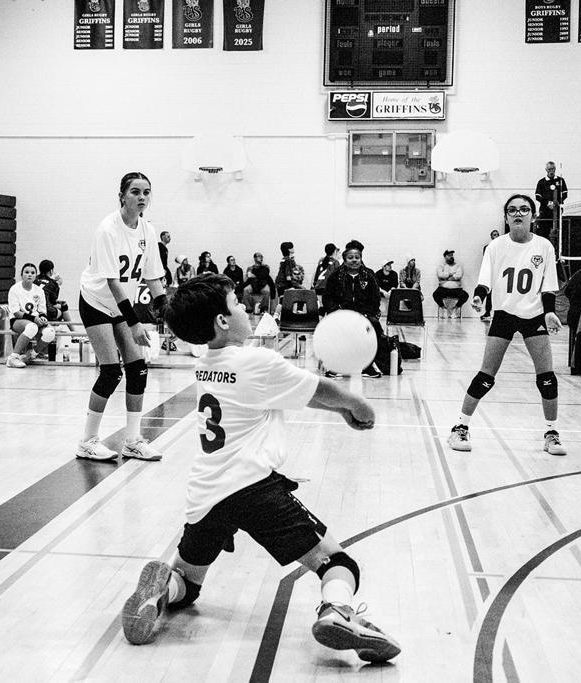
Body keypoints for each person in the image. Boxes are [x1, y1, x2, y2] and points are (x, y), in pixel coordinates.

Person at [119, 274, 400, 664]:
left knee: (188, 582)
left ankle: (164, 588)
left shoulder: (205, 364)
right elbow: (318, 389)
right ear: (222, 320)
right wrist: (356, 405)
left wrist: (340, 410)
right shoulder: (256, 361)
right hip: (255, 490)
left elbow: (290, 393)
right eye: (236, 303)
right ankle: (336, 609)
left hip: (206, 493)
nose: (245, 308)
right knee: (338, 564)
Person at [447, 194, 567, 456]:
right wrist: (479, 297)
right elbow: (484, 281)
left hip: (534, 315)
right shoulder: (496, 246)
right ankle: (460, 427)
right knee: (486, 376)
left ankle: (551, 434)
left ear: (533, 215)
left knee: (547, 378)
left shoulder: (544, 246)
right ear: (506, 217)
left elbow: (548, 286)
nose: (518, 213)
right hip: (504, 314)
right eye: (512, 210)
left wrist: (549, 313)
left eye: (524, 209)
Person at [75, 171, 168, 462]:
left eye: (146, 192)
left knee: (138, 368)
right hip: (96, 300)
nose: (142, 197)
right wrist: (135, 322)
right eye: (135, 192)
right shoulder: (108, 229)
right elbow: (113, 283)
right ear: (122, 196)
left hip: (120, 305)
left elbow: (153, 278)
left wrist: (168, 312)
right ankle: (87, 441)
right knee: (111, 371)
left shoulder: (147, 231)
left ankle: (132, 440)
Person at [323, 245, 384, 378]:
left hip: (363, 315)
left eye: (357, 257)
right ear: (345, 260)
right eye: (350, 258)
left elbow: (375, 299)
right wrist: (336, 310)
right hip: (341, 314)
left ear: (361, 259)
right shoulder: (335, 276)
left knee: (374, 327)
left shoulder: (369, 276)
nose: (354, 260)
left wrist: (368, 313)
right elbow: (327, 298)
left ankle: (367, 366)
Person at [5, 262, 54, 368]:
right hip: (17, 320)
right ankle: (12, 358)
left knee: (50, 332)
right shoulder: (14, 289)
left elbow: (42, 311)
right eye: (26, 272)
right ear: (21, 274)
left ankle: (30, 355)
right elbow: (16, 312)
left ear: (36, 275)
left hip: (35, 320)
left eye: (32, 273)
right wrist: (34, 319)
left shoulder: (39, 290)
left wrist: (43, 318)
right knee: (32, 327)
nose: (29, 275)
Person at [534, 161, 567, 241]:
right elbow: (538, 196)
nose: (551, 171)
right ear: (546, 170)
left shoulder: (560, 180)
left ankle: (558, 246)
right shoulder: (541, 182)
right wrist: (548, 203)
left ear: (555, 169)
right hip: (545, 212)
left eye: (552, 169)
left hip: (557, 211)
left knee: (559, 232)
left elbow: (565, 194)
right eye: (549, 169)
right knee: (543, 232)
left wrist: (557, 202)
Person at [432, 249, 469, 314]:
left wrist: (445, 277)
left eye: (452, 255)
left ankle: (455, 308)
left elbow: (459, 275)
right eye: (449, 255)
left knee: (465, 295)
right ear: (445, 257)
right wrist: (451, 274)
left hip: (456, 289)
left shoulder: (458, 266)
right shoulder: (441, 266)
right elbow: (440, 275)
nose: (451, 257)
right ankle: (443, 308)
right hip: (443, 289)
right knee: (435, 294)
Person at [481, 230, 501, 320]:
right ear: (491, 237)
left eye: (497, 234)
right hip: (491, 273)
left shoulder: (503, 246)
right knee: (489, 293)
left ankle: (499, 313)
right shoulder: (487, 247)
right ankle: (487, 312)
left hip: (500, 272)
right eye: (494, 235)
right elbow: (487, 260)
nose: (496, 236)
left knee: (500, 294)